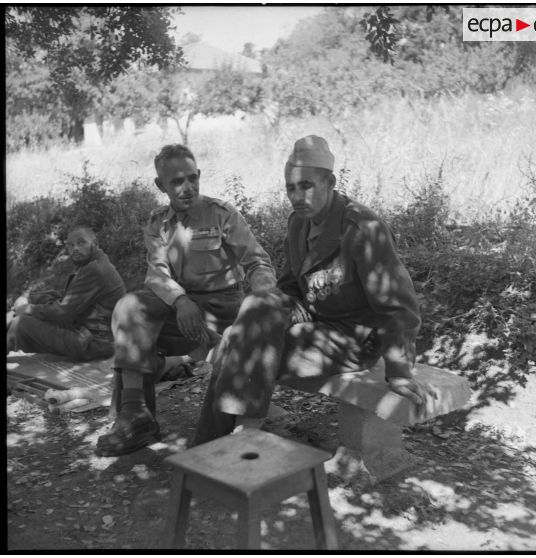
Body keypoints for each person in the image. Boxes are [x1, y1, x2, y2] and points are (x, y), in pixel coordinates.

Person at [194, 135, 435, 445]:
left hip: (353, 337)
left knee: (239, 347)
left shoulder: (362, 229)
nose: (297, 196)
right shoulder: (299, 222)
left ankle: (232, 440)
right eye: (291, 188)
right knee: (248, 321)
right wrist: (265, 316)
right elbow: (292, 285)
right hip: (313, 322)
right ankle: (233, 439)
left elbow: (398, 307)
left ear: (330, 182)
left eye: (306, 186)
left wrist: (399, 369)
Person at [96, 144, 277, 456]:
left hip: (225, 310)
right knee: (129, 309)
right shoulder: (158, 224)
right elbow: (157, 274)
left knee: (228, 339)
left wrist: (261, 299)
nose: (187, 187)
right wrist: (181, 302)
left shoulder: (223, 215)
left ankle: (221, 436)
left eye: (192, 178)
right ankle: (136, 415)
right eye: (177, 182)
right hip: (184, 309)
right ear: (160, 186)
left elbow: (258, 263)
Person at [7, 226, 126, 361]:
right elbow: (67, 296)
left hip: (95, 344)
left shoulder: (95, 269)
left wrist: (28, 309)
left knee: (21, 324)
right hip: (85, 332)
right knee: (14, 315)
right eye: (70, 245)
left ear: (95, 244)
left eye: (81, 243)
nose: (75, 248)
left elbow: (62, 312)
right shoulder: (91, 264)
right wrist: (29, 297)